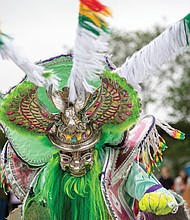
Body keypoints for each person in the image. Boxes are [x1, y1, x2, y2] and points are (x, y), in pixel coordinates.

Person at [0, 0, 190, 219]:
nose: (77, 162)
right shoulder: (48, 174)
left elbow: (137, 180)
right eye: (68, 155)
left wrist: (152, 192)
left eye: (83, 153)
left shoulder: (114, 163)